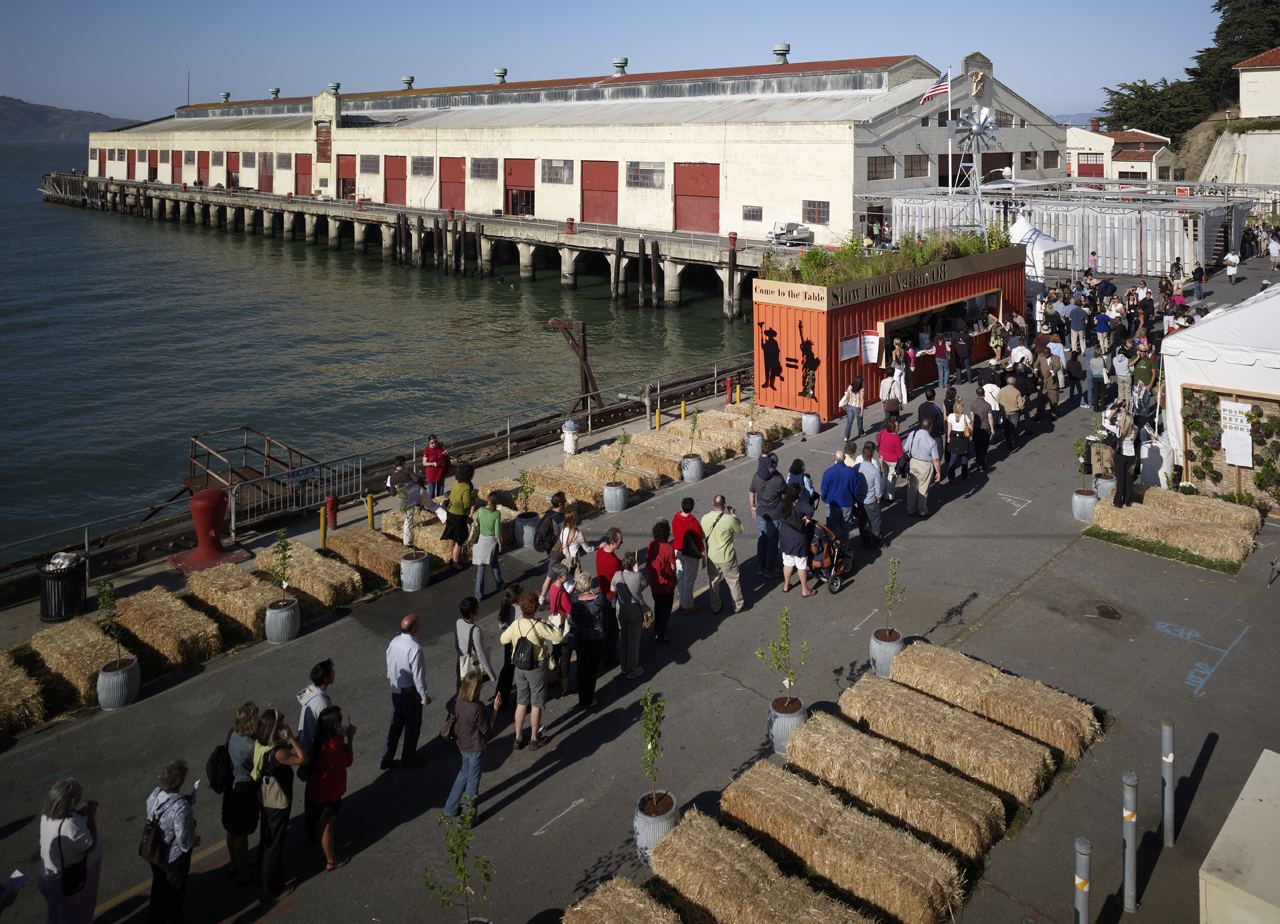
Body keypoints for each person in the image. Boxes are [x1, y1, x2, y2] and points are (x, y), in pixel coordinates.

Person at [252, 710, 307, 904]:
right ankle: (270, 889)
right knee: (274, 844)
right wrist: (291, 738)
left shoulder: (262, 743)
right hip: (277, 800)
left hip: (264, 796)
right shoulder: (279, 752)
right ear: (274, 728)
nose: (285, 723)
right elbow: (302, 759)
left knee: (266, 839)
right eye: (282, 721)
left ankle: (261, 878)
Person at [499, 593, 562, 749]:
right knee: (536, 703)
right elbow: (559, 637)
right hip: (536, 667)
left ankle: (518, 737)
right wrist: (549, 623)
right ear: (534, 609)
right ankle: (534, 738)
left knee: (521, 702)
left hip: (519, 668)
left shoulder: (516, 624)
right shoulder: (538, 626)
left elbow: (503, 639)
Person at [37, 779, 101, 924]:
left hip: (47, 876)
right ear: (71, 800)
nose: (82, 789)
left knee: (54, 916)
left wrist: (78, 813)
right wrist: (91, 815)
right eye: (80, 790)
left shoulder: (46, 816)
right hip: (65, 882)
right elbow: (90, 845)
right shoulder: (70, 826)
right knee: (75, 919)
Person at [145, 760, 199, 924]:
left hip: (154, 849)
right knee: (175, 894)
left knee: (159, 886)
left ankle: (155, 917)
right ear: (182, 781)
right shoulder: (181, 807)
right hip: (172, 858)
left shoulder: (155, 794)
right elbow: (183, 840)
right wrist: (193, 842)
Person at [443, 671, 500, 827]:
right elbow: (487, 729)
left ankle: (451, 808)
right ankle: (469, 819)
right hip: (475, 748)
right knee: (473, 783)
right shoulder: (476, 709)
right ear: (478, 687)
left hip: (463, 745)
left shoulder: (459, 701)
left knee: (463, 774)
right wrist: (494, 710)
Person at [382, 614, 432, 770]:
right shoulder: (415, 648)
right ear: (415, 629)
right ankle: (409, 759)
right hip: (409, 693)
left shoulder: (394, 641)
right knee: (412, 726)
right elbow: (418, 676)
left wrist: (392, 682)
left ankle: (386, 759)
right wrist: (424, 697)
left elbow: (389, 664)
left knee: (395, 725)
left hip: (396, 689)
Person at [308, 705, 355, 869]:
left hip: (319, 785)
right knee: (328, 824)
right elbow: (347, 761)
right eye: (340, 719)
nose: (342, 722)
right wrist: (350, 739)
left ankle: (322, 850)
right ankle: (331, 860)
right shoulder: (331, 745)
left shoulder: (321, 739)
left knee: (320, 821)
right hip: (329, 787)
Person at [223, 702, 259, 886]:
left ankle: (235, 863)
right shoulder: (251, 745)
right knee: (242, 834)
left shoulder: (233, 734)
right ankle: (244, 872)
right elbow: (258, 768)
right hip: (245, 790)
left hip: (233, 786)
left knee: (232, 830)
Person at [700, 495, 746, 615]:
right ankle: (738, 605)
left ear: (713, 504)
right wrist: (733, 515)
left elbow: (703, 536)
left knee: (713, 581)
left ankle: (715, 606)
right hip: (726, 557)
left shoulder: (705, 518)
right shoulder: (729, 519)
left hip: (712, 556)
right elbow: (739, 529)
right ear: (724, 506)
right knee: (733, 581)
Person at [569, 572, 609, 709]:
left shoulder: (576, 604)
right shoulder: (599, 600)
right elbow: (600, 599)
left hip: (582, 638)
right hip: (596, 637)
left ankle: (583, 698)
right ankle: (589, 697)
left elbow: (572, 620)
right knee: (592, 667)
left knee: (581, 667)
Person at [612, 551, 650, 677]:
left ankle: (623, 667)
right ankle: (633, 668)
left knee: (623, 637)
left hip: (621, 609)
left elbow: (612, 591)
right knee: (634, 640)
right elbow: (644, 585)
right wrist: (637, 571)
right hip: (634, 609)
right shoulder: (638, 576)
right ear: (633, 564)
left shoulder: (617, 575)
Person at [748, 450, 784, 577]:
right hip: (774, 515)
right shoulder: (778, 479)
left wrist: (753, 506)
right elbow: (785, 491)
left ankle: (761, 567)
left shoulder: (756, 476)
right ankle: (770, 569)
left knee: (762, 539)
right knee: (772, 542)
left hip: (761, 513)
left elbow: (751, 492)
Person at [777, 483, 815, 595]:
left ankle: (786, 585)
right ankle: (805, 590)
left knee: (788, 563)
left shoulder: (781, 504)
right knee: (801, 564)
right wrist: (807, 518)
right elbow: (810, 510)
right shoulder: (801, 505)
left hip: (785, 537)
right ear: (799, 493)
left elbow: (777, 514)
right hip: (798, 538)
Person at [646, 519, 678, 643]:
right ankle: (661, 634)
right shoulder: (669, 548)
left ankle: (656, 627)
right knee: (666, 609)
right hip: (666, 585)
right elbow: (673, 567)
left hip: (654, 583)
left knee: (657, 605)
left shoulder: (651, 544)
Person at [594, 527, 623, 664]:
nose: (621, 544)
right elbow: (621, 579)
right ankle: (608, 658)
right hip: (611, 596)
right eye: (619, 542)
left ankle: (603, 651)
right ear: (613, 543)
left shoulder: (600, 553)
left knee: (605, 624)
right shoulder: (615, 562)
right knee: (612, 629)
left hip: (602, 593)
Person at [672, 498, 705, 614]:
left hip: (677, 550)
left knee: (680, 575)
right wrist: (703, 554)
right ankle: (687, 605)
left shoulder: (676, 517)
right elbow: (699, 540)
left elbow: (675, 533)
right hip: (689, 553)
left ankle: (682, 601)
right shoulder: (693, 522)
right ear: (692, 507)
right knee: (689, 579)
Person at [546, 564, 574, 696]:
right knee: (565, 657)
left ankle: (552, 680)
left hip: (554, 624)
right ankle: (565, 687)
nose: (567, 577)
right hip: (563, 628)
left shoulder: (553, 587)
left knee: (555, 653)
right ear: (558, 577)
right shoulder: (562, 594)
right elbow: (570, 610)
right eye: (565, 576)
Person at [455, 596, 496, 690]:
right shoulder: (475, 630)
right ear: (471, 613)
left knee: (461, 694)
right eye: (477, 607)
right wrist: (491, 675)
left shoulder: (458, 622)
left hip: (461, 664)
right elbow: (481, 654)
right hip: (472, 669)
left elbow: (457, 644)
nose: (479, 608)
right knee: (473, 696)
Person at [904, 419, 943, 517]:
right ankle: (922, 510)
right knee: (923, 488)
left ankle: (910, 509)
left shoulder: (912, 434)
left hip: (912, 462)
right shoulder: (932, 441)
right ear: (930, 428)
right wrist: (938, 472)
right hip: (925, 466)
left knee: (912, 487)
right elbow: (936, 460)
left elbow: (905, 449)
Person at [442, 462, 476, 571]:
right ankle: (455, 562)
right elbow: (466, 503)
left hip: (451, 513)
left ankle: (453, 557)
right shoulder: (466, 487)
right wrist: (474, 498)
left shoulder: (456, 484)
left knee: (455, 537)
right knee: (460, 540)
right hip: (459, 515)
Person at [820, 450, 858, 547]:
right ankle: (844, 549)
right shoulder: (851, 471)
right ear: (844, 458)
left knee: (831, 530)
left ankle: (829, 551)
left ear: (834, 458)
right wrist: (854, 501)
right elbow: (856, 489)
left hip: (833, 505)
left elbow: (824, 489)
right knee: (845, 529)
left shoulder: (829, 472)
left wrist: (825, 499)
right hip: (847, 504)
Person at [494, 583, 523, 708]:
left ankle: (500, 701)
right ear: (518, 595)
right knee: (521, 673)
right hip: (517, 644)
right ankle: (519, 701)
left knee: (506, 671)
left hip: (507, 643)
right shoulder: (519, 611)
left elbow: (501, 626)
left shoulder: (505, 607)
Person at [1104, 407, 1139, 508]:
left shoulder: (1119, 430)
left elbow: (1106, 424)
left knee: (1120, 480)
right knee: (1129, 480)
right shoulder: (1135, 429)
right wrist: (1125, 412)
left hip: (1121, 456)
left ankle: (1117, 501)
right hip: (1131, 456)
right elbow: (1130, 421)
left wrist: (1112, 414)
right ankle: (1127, 501)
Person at [537, 492, 567, 605]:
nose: (566, 502)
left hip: (550, 547)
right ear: (560, 504)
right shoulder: (560, 519)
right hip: (557, 549)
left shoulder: (549, 513)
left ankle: (561, 593)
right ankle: (542, 598)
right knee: (550, 575)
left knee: (560, 572)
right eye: (564, 501)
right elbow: (565, 535)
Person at [472, 492, 504, 598]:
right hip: (491, 543)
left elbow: (474, 523)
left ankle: (478, 595)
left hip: (480, 541)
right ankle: (500, 585)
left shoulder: (481, 510)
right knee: (494, 565)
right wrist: (499, 543)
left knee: (480, 570)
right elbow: (497, 532)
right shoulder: (496, 514)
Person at [852, 442, 884, 550]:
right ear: (871, 456)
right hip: (871, 501)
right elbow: (878, 488)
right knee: (875, 522)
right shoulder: (875, 471)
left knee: (862, 522)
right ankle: (876, 544)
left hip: (860, 500)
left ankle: (865, 544)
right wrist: (879, 496)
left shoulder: (856, 468)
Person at [876, 418, 904, 503]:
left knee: (885, 475)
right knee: (891, 477)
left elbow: (878, 441)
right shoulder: (896, 438)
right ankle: (889, 496)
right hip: (892, 460)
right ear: (893, 428)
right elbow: (900, 453)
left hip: (882, 458)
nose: (898, 426)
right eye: (896, 426)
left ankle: (881, 493)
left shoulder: (883, 431)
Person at [944, 399, 972, 481]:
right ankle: (964, 475)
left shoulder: (950, 416)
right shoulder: (965, 417)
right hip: (963, 439)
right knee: (964, 457)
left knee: (953, 457)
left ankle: (951, 477)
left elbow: (949, 428)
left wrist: (948, 437)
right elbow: (971, 428)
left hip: (954, 438)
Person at [969, 386, 996, 472]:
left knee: (977, 444)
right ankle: (982, 463)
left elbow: (972, 415)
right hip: (985, 427)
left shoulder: (973, 403)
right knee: (984, 446)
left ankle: (977, 458)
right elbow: (990, 417)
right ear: (984, 394)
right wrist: (992, 428)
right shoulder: (987, 405)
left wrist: (973, 424)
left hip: (976, 427)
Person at [997, 374, 1025, 452]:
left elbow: (997, 400)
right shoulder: (1016, 392)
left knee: (1006, 428)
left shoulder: (1002, 390)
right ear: (1014, 383)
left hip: (1005, 412)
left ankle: (1007, 441)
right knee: (1013, 429)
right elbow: (1020, 405)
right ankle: (1011, 443)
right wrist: (1023, 405)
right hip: (1014, 412)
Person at [1035, 348, 1062, 422]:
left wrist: (1051, 371)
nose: (1045, 355)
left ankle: (1053, 414)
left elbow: (1057, 366)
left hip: (1052, 383)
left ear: (1050, 353)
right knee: (1041, 400)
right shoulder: (1040, 356)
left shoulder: (1056, 358)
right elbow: (1036, 363)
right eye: (1044, 353)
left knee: (1053, 400)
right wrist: (1036, 369)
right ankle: (1039, 414)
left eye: (1047, 354)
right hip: (1043, 383)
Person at [421, 434, 448, 499]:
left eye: (435, 442)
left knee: (441, 489)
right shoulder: (426, 451)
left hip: (441, 470)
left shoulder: (440, 445)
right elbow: (424, 463)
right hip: (432, 473)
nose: (434, 444)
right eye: (432, 443)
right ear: (429, 443)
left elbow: (442, 452)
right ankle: (430, 505)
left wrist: (445, 453)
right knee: (431, 492)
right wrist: (432, 464)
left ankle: (440, 503)